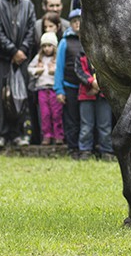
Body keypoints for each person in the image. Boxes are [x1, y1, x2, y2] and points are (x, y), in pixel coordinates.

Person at [0, 0, 36, 147]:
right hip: (1, 59)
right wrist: (13, 51)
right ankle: (1, 133)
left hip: (22, 59)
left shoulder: (28, 4)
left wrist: (22, 50)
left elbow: (31, 29)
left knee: (20, 96)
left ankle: (18, 133)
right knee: (0, 97)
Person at [54, 9, 84, 159]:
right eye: (74, 21)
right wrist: (59, 90)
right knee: (71, 119)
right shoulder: (65, 42)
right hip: (69, 85)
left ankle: (86, 147)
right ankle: (73, 148)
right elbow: (59, 67)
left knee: (85, 120)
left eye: (80, 20)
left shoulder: (89, 39)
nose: (77, 23)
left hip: (86, 88)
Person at [74, 51, 113, 161]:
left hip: (104, 94)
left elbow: (110, 71)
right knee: (86, 125)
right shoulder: (81, 55)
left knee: (105, 125)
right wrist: (91, 82)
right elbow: (79, 71)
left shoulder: (106, 53)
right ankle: (85, 150)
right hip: (86, 94)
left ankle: (107, 151)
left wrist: (99, 85)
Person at [28, 32, 63, 146]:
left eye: (50, 46)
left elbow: (62, 69)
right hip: (42, 89)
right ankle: (47, 136)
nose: (47, 49)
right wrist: (37, 71)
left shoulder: (58, 58)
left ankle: (58, 135)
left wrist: (55, 71)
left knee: (56, 113)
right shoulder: (39, 58)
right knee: (45, 114)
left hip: (54, 89)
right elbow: (30, 68)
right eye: (45, 46)